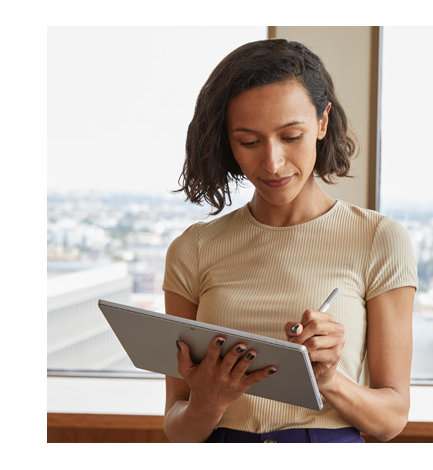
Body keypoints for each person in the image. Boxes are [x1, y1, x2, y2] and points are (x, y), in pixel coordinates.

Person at [161, 38, 418, 443]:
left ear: (322, 122)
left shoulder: (378, 239)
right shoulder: (193, 248)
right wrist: (207, 402)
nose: (272, 162)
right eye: (248, 141)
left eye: (291, 136)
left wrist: (329, 379)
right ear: (227, 141)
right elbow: (177, 427)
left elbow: (391, 420)